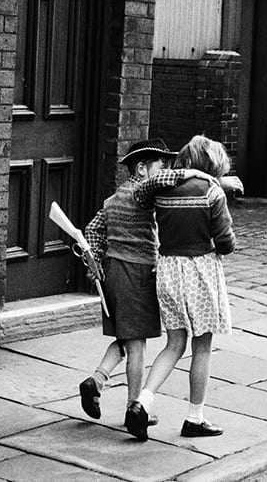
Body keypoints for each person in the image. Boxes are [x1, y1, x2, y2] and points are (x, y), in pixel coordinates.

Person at [125, 135, 237, 441]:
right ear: (211, 165)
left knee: (174, 344)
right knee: (202, 347)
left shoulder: (161, 190)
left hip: (169, 269)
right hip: (200, 270)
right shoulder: (212, 192)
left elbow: (141, 196)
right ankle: (195, 418)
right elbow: (227, 243)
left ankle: (141, 402)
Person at [77, 139, 193, 426]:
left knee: (126, 337)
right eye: (160, 165)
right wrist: (199, 175)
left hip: (113, 272)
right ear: (141, 169)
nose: (165, 170)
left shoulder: (113, 199)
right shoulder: (143, 192)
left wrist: (94, 265)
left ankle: (97, 380)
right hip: (137, 273)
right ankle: (134, 408)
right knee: (138, 345)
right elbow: (168, 180)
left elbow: (92, 231)